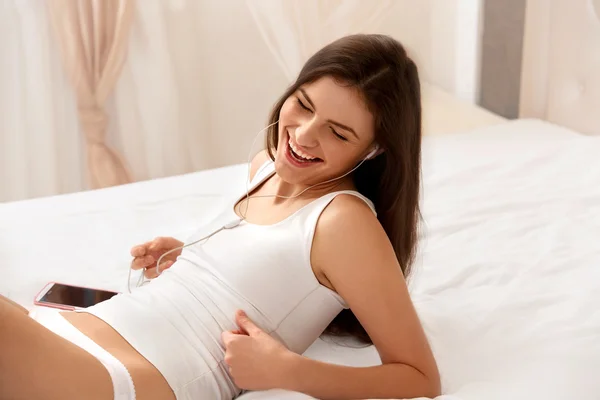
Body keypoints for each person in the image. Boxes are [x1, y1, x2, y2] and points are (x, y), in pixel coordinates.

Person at [0, 33, 440, 400]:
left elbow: (420, 376)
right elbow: (264, 270)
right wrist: (189, 257)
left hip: (118, 377)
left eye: (338, 132)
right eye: (304, 105)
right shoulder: (264, 167)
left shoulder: (344, 221)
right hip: (77, 329)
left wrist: (290, 372)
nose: (304, 136)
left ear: (375, 150)